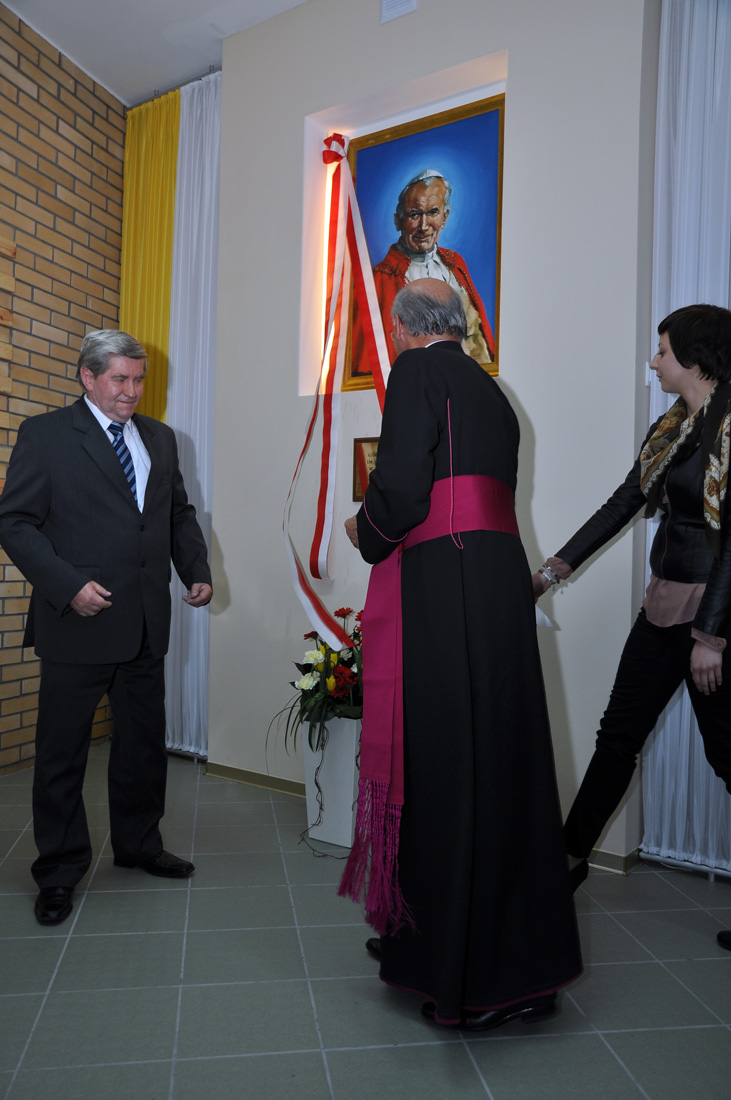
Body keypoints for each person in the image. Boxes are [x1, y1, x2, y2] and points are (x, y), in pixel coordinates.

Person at [339, 279, 581, 1029]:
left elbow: (403, 489)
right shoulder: (492, 389)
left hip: (446, 582)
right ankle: (490, 954)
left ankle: (464, 971)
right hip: (495, 579)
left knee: (446, 759)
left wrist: (364, 530)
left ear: (403, 328)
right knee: (502, 759)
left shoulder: (416, 369)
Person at [534, 304, 731, 952]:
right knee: (616, 738)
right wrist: (551, 571)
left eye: (662, 350)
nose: (653, 361)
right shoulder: (670, 429)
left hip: (714, 621)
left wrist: (710, 636)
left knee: (727, 757)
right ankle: (564, 865)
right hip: (662, 607)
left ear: (695, 357)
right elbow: (624, 502)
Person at [0, 330, 213, 926]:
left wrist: (195, 569)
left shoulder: (160, 439)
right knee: (62, 755)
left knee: (142, 746)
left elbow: (177, 514)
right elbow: (14, 523)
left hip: (144, 622)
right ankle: (58, 870)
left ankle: (139, 845)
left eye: (138, 379)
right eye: (120, 379)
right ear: (88, 377)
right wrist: (68, 586)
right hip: (77, 622)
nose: (131, 391)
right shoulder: (45, 435)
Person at [351, 170, 495, 377]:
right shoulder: (379, 279)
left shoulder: (455, 264)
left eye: (433, 212)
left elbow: (478, 337)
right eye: (414, 215)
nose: (424, 226)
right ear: (398, 221)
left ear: (445, 217)